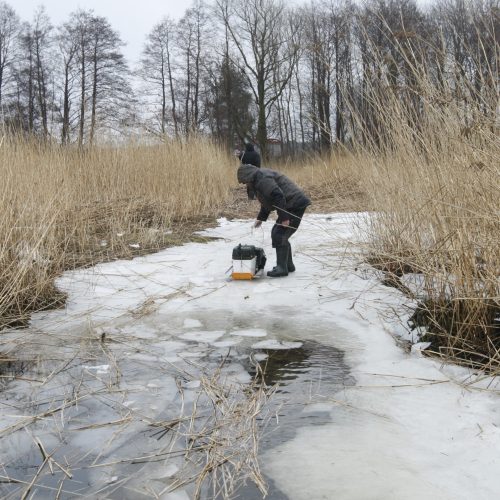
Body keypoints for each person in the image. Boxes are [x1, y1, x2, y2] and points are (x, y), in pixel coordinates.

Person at [237, 164, 311, 277]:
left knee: (279, 234)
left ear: (248, 177)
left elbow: (277, 196)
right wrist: (260, 218)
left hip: (295, 204)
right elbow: (268, 200)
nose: (245, 184)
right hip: (292, 204)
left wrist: (285, 218)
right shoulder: (259, 178)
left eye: (245, 182)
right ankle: (288, 265)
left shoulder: (262, 179)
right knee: (281, 233)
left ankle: (282, 268)